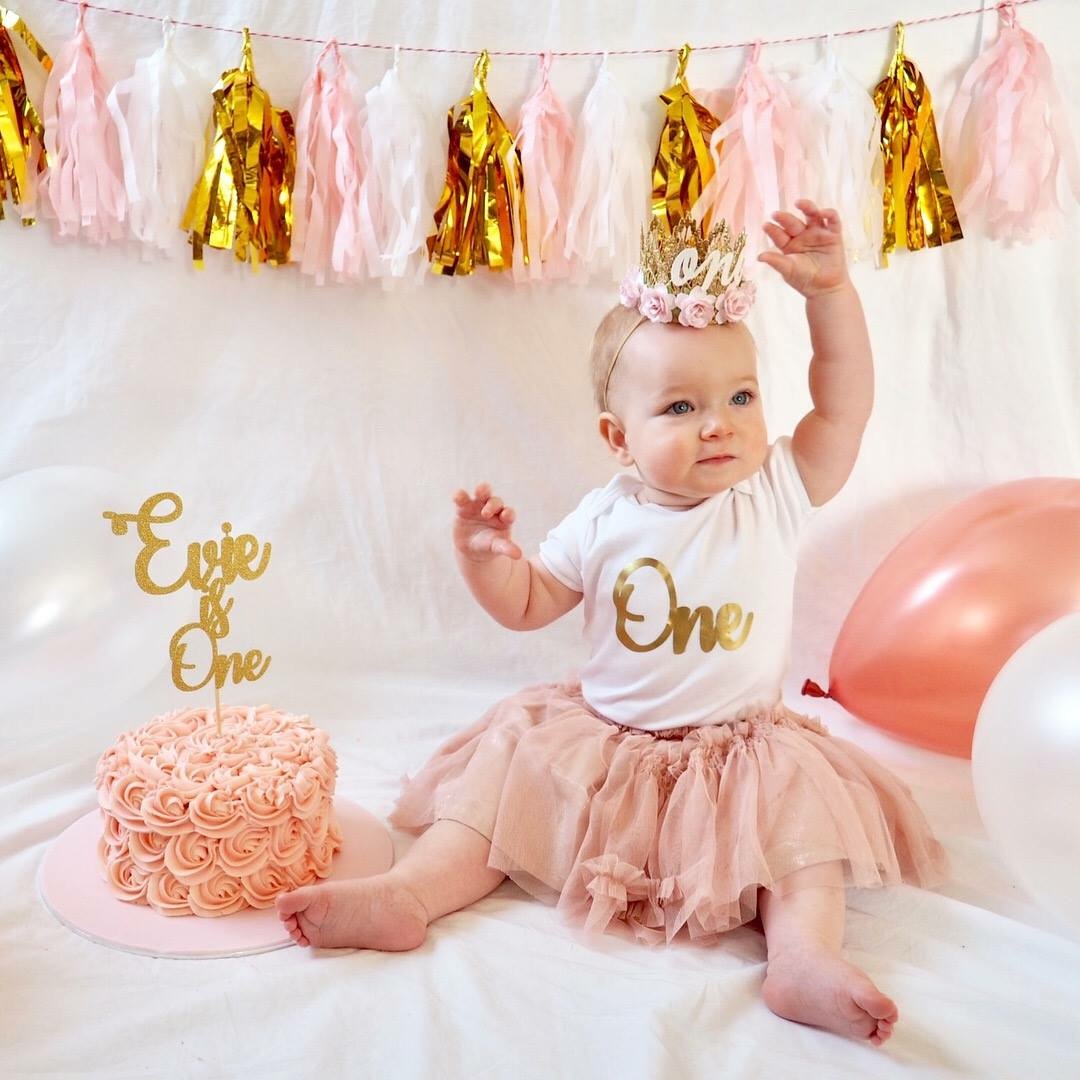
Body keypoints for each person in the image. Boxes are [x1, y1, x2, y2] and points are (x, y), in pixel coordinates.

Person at [277, 200, 948, 1047]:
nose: (720, 422)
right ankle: (409, 894)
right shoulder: (603, 516)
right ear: (618, 437)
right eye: (680, 407)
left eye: (741, 396)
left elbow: (843, 407)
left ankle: (802, 957)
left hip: (739, 755)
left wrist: (830, 294)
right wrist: (486, 559)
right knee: (499, 787)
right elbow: (529, 603)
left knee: (801, 838)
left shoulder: (773, 492)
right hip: (606, 745)